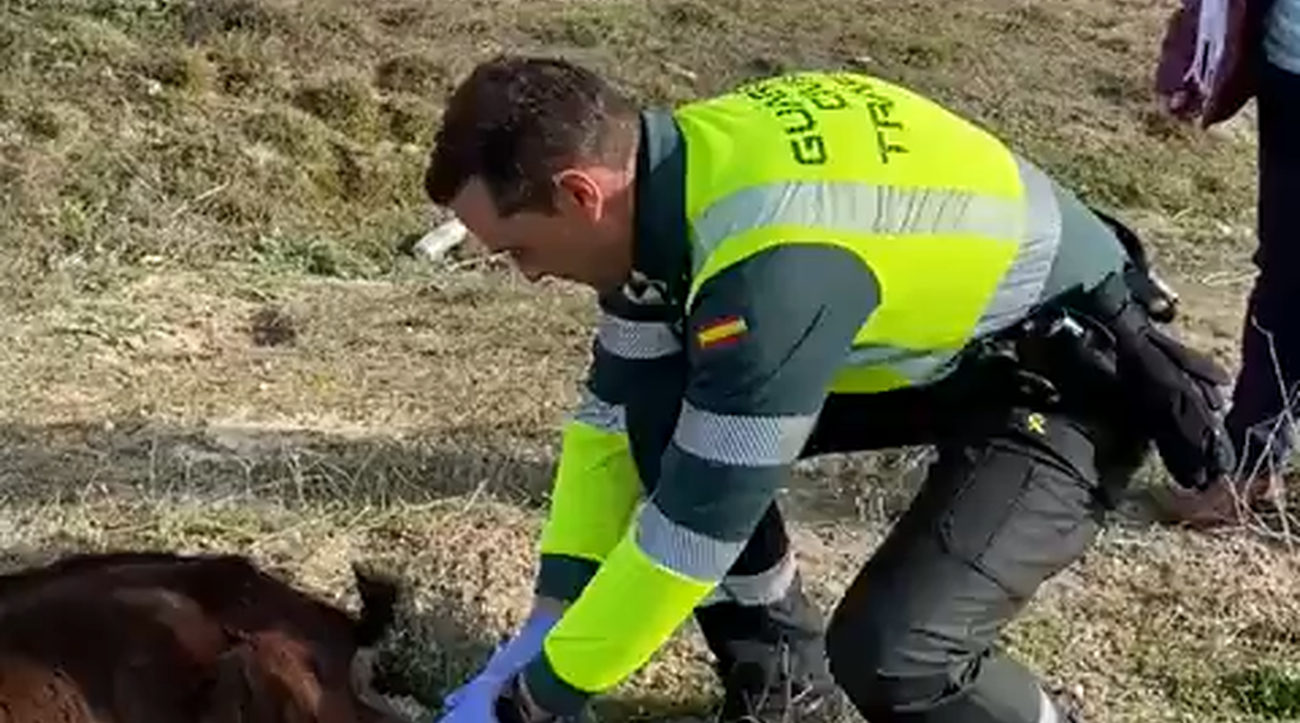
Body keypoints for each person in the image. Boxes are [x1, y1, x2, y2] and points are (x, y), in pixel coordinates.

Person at [420, 55, 1235, 723]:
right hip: (963, 353)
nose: (527, 275)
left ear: (579, 193)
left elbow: (696, 529)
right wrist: (548, 619)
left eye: (519, 247)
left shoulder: (768, 265)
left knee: (895, 657)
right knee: (658, 413)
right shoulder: (677, 176)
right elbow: (611, 414)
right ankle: (785, 690)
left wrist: (535, 699)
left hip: (1069, 383)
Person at [1152, 0, 1299, 526]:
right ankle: (1254, 467)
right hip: (1287, 62)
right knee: (1284, 273)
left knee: (1289, 284)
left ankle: (1249, 470)